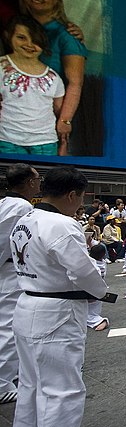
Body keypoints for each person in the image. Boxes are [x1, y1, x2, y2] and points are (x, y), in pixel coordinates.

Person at [9, 166, 107, 427]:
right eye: (81, 197)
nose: (81, 203)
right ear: (71, 194)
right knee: (62, 389)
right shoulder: (61, 225)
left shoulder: (24, 220)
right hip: (56, 312)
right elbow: (83, 271)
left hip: (27, 305)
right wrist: (100, 292)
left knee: (30, 386)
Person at [14, 0, 85, 156]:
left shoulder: (66, 36)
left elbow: (75, 82)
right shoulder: (18, 27)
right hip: (15, 120)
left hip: (48, 123)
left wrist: (64, 121)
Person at [0, 164, 40, 405]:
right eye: (36, 179)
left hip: (10, 268)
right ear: (28, 183)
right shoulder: (20, 207)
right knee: (8, 326)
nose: (39, 183)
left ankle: (8, 375)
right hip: (11, 270)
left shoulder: (8, 203)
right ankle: (2, 384)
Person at [0, 15, 65, 155]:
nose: (29, 44)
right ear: (8, 36)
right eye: (21, 38)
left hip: (45, 143)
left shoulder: (54, 77)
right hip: (7, 140)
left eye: (35, 40)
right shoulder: (1, 66)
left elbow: (58, 109)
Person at [87, 244, 110, 331]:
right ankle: (97, 320)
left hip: (92, 291)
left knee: (85, 314)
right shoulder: (102, 262)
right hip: (99, 291)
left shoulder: (94, 266)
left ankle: (100, 321)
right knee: (91, 311)